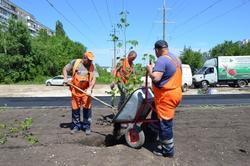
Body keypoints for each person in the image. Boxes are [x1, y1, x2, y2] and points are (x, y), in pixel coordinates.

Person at [146, 40, 182, 157]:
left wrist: (150, 70)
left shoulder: (162, 59)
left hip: (166, 97)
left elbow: (156, 78)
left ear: (157, 50)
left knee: (166, 123)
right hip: (176, 93)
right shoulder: (175, 58)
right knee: (156, 115)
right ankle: (151, 136)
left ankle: (168, 150)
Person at [63, 51, 99, 135]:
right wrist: (65, 79)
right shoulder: (75, 62)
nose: (91, 62)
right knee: (75, 109)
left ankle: (86, 126)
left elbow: (94, 78)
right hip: (75, 90)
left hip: (86, 91)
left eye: (91, 60)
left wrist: (90, 88)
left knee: (87, 108)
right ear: (84, 58)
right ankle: (76, 126)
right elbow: (65, 69)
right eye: (89, 60)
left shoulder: (92, 66)